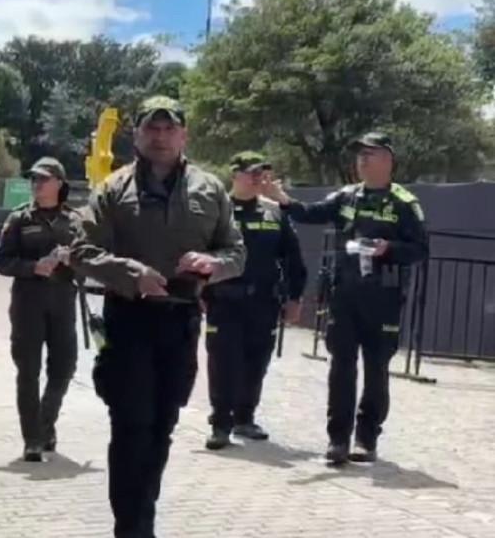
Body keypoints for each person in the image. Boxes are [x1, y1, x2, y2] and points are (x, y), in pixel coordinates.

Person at [70, 95, 245, 538]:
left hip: (181, 323)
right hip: (129, 320)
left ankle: (139, 517)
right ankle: (132, 528)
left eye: (170, 129)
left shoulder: (211, 189)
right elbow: (81, 251)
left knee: (161, 429)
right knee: (131, 428)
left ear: (184, 135)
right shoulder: (112, 189)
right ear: (138, 135)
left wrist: (214, 264)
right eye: (152, 128)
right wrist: (132, 272)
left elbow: (237, 251)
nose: (161, 136)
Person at [261, 132, 427, 464]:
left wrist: (388, 249)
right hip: (344, 297)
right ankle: (338, 440)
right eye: (359, 154)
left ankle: (367, 439)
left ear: (388, 159)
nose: (363, 159)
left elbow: (420, 250)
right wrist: (282, 198)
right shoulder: (347, 196)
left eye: (371, 153)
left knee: (376, 369)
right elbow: (310, 213)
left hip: (383, 298)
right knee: (341, 368)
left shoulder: (404, 202)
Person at [202, 152, 307, 450]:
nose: (259, 179)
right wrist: (198, 292)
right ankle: (221, 423)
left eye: (263, 173)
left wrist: (295, 298)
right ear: (235, 175)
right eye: (252, 173)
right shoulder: (217, 211)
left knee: (256, 361)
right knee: (223, 362)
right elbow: (200, 254)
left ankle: (244, 418)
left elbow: (293, 260)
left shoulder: (275, 213)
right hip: (225, 300)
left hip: (264, 302)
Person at [0, 156, 81, 462]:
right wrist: (33, 267)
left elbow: (93, 263)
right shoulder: (19, 219)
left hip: (63, 304)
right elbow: (1, 262)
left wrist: (74, 262)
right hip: (27, 304)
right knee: (28, 371)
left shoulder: (76, 221)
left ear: (59, 183)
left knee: (64, 367)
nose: (37, 185)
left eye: (43, 179)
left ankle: (45, 423)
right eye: (34, 179)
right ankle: (33, 439)